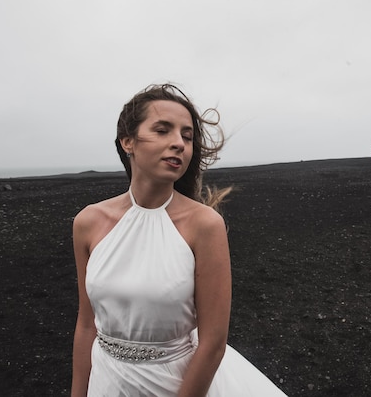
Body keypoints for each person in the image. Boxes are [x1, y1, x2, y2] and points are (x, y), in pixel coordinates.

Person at [71, 84, 287, 396]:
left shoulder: (204, 225)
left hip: (176, 384)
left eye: (187, 136)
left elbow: (213, 343)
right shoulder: (88, 223)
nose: (179, 144)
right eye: (162, 130)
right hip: (106, 380)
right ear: (127, 141)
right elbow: (86, 324)